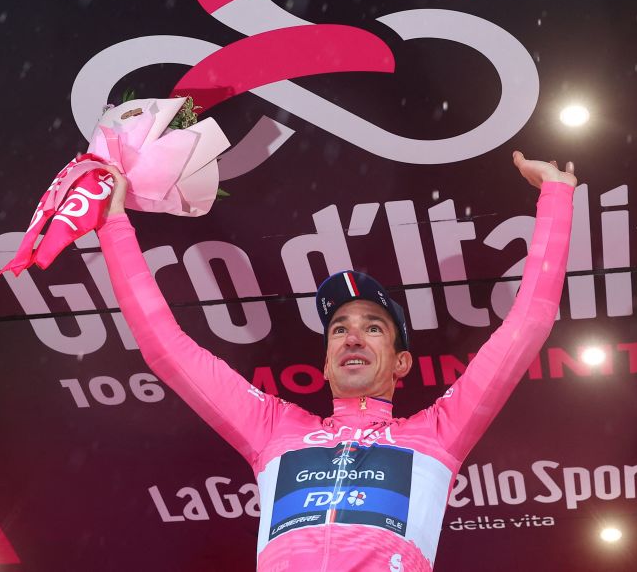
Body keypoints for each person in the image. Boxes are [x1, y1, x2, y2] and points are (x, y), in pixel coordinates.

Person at [97, 152, 576, 572]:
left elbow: (529, 321)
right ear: (325, 365)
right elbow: (165, 348)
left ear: (401, 363)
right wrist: (112, 221)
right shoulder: (273, 429)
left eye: (373, 328)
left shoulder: (437, 434)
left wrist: (556, 196)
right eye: (339, 328)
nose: (353, 337)